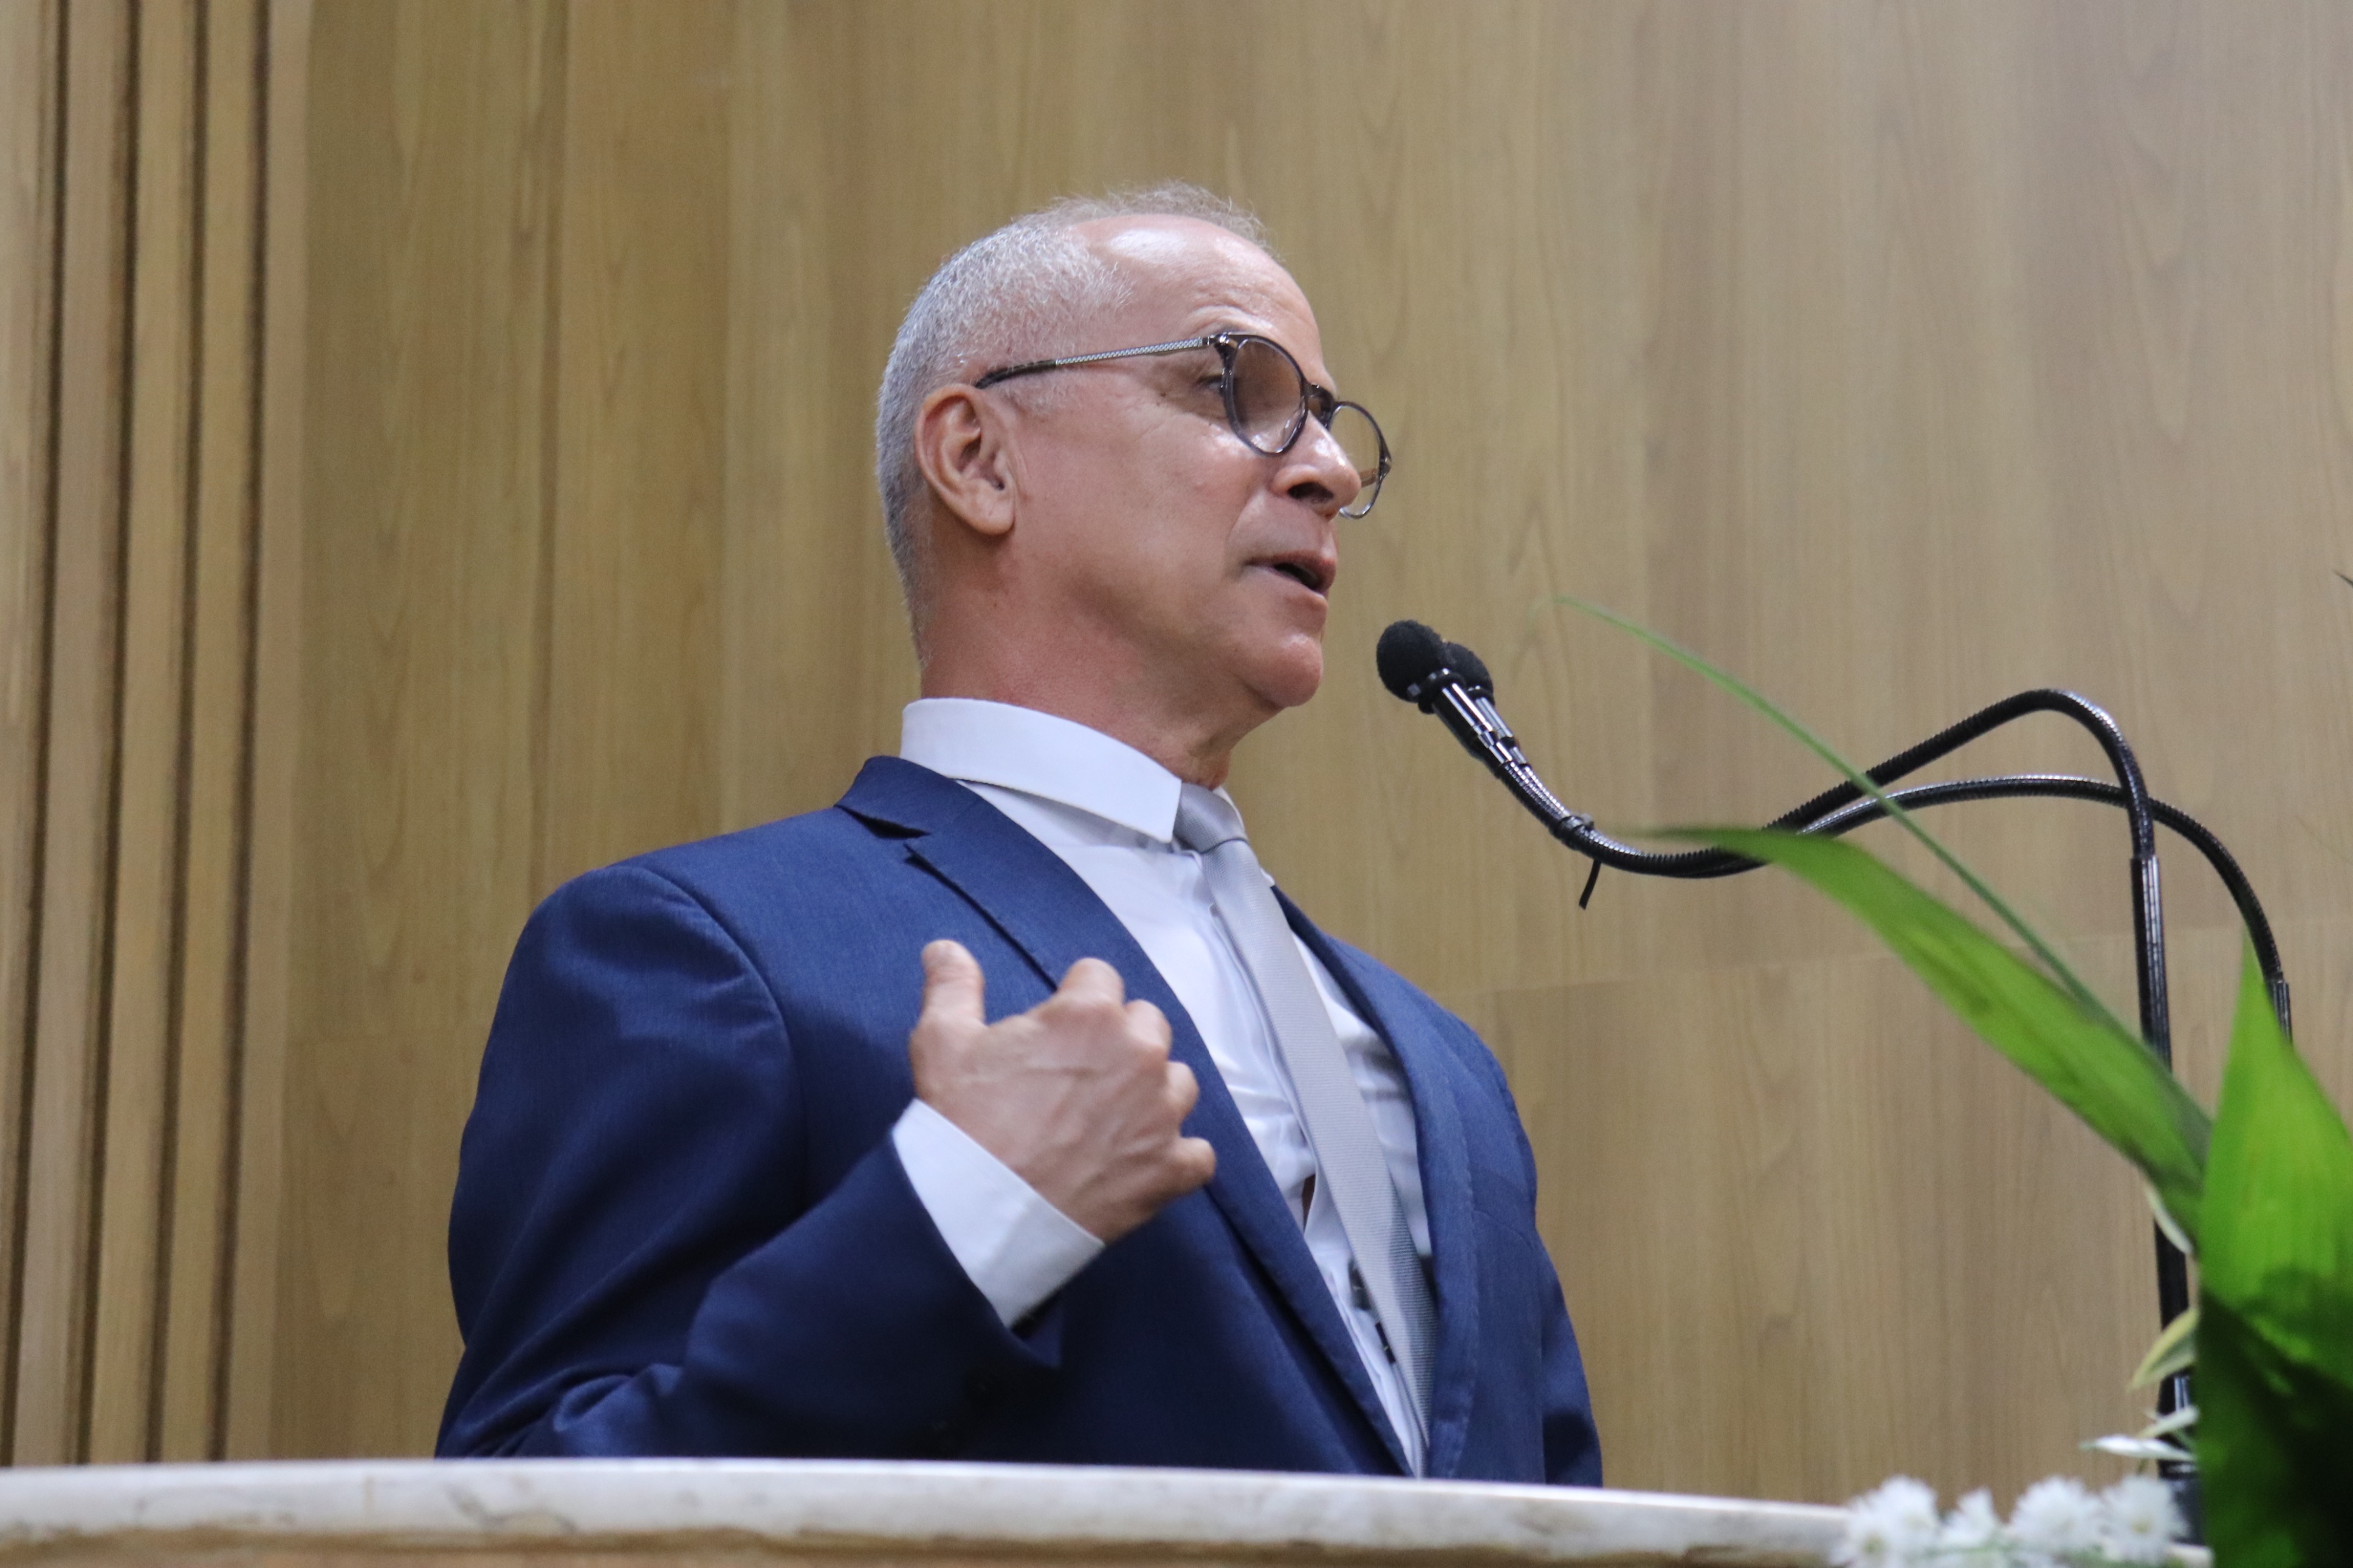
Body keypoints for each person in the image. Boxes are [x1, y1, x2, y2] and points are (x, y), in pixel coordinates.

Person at [438, 185, 1601, 1484]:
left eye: (1329, 421)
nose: (1327, 469)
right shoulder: (696, 953)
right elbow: (535, 1512)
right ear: (980, 461)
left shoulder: (1441, 1063)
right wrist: (966, 1213)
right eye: (1234, 386)